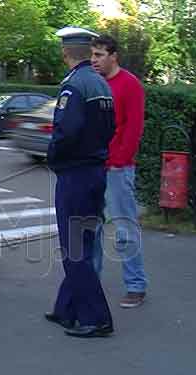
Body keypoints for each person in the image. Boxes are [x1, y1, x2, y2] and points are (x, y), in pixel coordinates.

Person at [45, 27, 115, 338]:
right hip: (95, 171)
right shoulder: (101, 83)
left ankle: (96, 318)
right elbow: (109, 129)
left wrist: (53, 159)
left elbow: (65, 132)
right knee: (83, 244)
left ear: (65, 53)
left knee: (75, 249)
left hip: (75, 174)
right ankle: (66, 309)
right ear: (87, 51)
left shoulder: (73, 85)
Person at [91, 35, 148, 308]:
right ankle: (91, 285)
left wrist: (118, 160)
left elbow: (134, 128)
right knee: (92, 227)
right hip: (93, 168)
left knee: (125, 228)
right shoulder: (94, 83)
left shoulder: (130, 85)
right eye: (92, 54)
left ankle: (136, 285)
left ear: (114, 56)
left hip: (117, 169)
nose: (94, 60)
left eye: (99, 54)